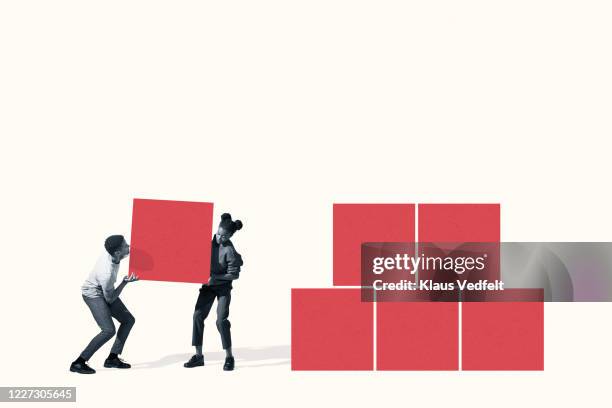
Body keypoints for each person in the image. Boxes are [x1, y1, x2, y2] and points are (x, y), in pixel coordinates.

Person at [70, 235, 139, 374]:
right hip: (93, 294)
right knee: (108, 330)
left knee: (128, 320)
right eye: (125, 246)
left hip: (105, 290)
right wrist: (124, 282)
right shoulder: (106, 272)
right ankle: (79, 362)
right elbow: (110, 299)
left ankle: (112, 358)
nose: (129, 247)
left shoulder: (112, 252)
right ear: (117, 252)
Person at [184, 213, 244, 371]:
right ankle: (198, 356)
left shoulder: (229, 250)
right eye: (218, 234)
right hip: (208, 287)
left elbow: (234, 274)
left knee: (221, 320)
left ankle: (229, 357)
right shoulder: (205, 242)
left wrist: (214, 278)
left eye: (224, 236)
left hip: (223, 287)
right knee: (197, 315)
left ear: (230, 235)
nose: (219, 238)